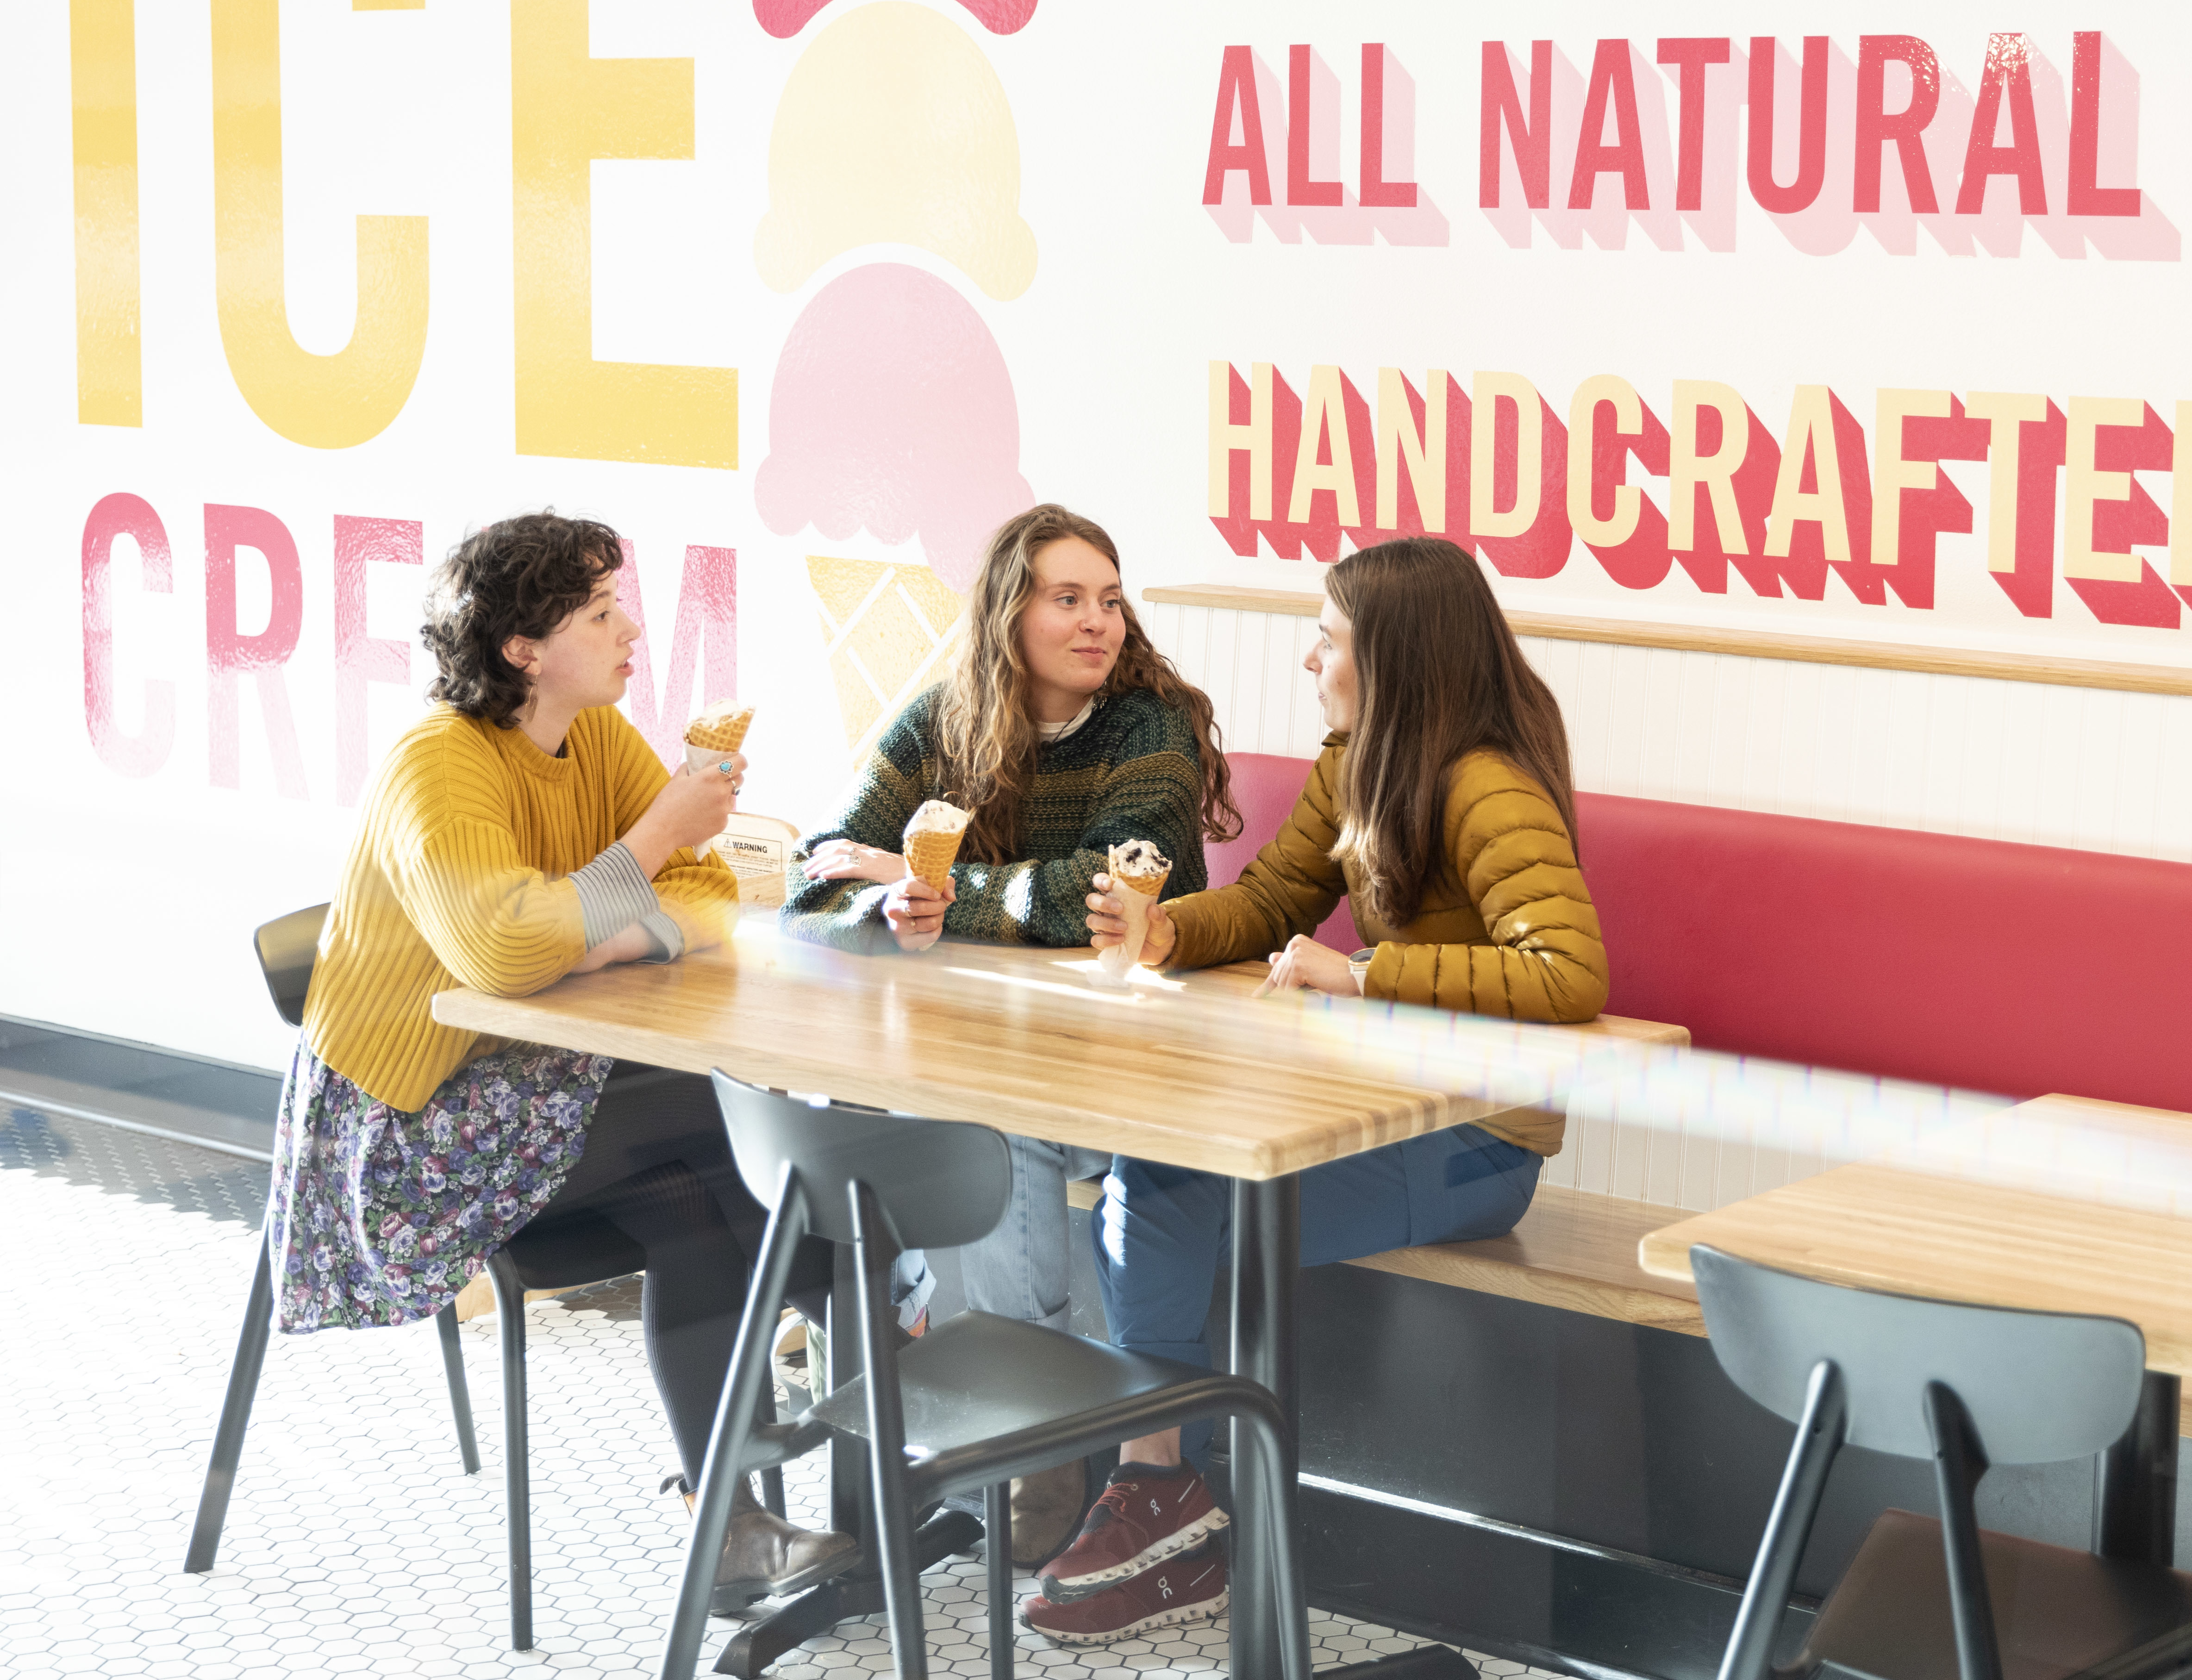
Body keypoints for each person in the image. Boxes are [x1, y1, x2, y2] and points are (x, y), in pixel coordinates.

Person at [1025, 534, 1608, 1644]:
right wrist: (1165, 933)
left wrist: (1371, 971)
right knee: (1156, 1181)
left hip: (1482, 1148)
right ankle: (1171, 1495)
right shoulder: (1360, 761)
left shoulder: (1488, 789)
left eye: (1328, 640)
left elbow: (1569, 973)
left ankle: (1163, 1491)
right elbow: (1275, 897)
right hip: (1386, 1122)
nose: (1309, 662)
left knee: (1163, 1193)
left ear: (1394, 657)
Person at [265, 512, 851, 1612]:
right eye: (598, 612)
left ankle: (739, 1506)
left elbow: (712, 900)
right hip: (404, 1131)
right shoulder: (436, 761)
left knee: (710, 1172)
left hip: (533, 1077)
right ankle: (855, 1342)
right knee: (734, 1143)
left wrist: (593, 926)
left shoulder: (599, 738)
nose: (631, 626)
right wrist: (646, 851)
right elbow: (500, 950)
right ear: (521, 649)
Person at [784, 503, 1237, 1562]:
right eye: (1067, 600)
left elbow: (1110, 892)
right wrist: (887, 907)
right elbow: (819, 878)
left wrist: (941, 888)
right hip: (990, 1057)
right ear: (1006, 616)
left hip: (1136, 1071)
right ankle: (1010, 1433)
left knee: (980, 1126)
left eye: (1112, 600)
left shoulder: (1153, 723)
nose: (1099, 624)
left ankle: (1015, 1438)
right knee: (936, 1112)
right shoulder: (946, 721)